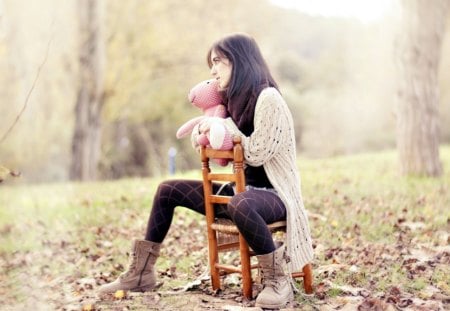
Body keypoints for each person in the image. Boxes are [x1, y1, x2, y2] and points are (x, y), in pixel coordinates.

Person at [98, 33, 314, 309]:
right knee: (168, 190)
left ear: (239, 61)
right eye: (211, 63)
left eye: (218, 61)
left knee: (241, 203)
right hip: (241, 193)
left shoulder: (267, 98)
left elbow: (258, 152)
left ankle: (277, 280)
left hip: (274, 195)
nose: (212, 70)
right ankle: (141, 274)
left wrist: (225, 129)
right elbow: (224, 150)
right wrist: (207, 131)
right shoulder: (230, 103)